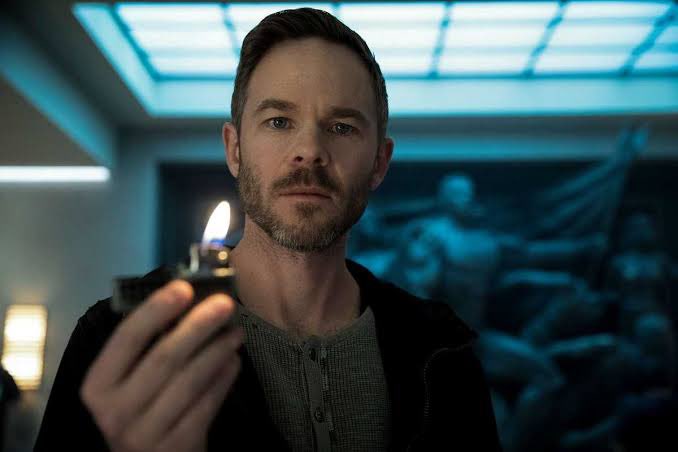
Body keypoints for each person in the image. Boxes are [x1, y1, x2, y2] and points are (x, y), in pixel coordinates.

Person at [33, 8, 500, 452]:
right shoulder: (114, 337)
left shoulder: (445, 350)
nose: (309, 150)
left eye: (341, 127)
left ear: (380, 162)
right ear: (234, 149)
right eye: (279, 121)